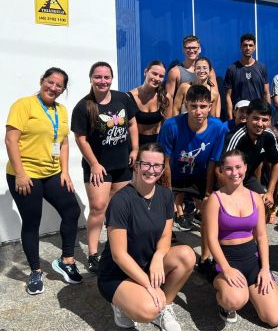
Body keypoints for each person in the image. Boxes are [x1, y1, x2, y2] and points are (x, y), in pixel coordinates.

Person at [97, 143, 195, 331]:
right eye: (146, 164)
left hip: (147, 264)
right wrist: (149, 286)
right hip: (117, 273)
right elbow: (119, 255)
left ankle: (166, 306)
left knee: (187, 255)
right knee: (149, 310)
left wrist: (158, 257)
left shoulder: (166, 195)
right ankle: (120, 303)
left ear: (162, 169)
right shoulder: (120, 201)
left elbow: (166, 236)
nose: (151, 170)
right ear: (136, 166)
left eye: (157, 165)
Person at [5, 67, 82, 294]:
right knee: (32, 221)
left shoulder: (61, 110)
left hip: (52, 173)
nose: (53, 88)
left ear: (63, 90)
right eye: (50, 82)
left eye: (59, 86)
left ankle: (66, 261)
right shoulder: (24, 105)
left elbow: (64, 142)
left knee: (71, 211)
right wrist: (20, 174)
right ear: (42, 81)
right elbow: (10, 140)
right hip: (26, 174)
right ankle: (35, 271)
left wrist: (65, 172)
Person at [203, 149, 278, 327]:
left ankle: (247, 288)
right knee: (235, 300)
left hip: (251, 259)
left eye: (238, 167)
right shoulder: (215, 199)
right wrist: (226, 269)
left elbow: (261, 236)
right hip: (227, 259)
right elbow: (211, 239)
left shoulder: (256, 197)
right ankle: (225, 297)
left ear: (246, 167)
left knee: (274, 318)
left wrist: (265, 269)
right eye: (229, 168)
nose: (234, 173)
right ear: (222, 170)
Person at [71, 61, 139, 273]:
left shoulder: (122, 98)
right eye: (98, 77)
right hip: (98, 167)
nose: (103, 81)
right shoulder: (83, 107)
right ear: (91, 79)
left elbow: (132, 124)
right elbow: (81, 139)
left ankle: (115, 249)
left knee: (118, 209)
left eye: (106, 77)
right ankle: (93, 254)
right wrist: (94, 164)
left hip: (123, 165)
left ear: (112, 78)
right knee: (99, 208)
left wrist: (135, 149)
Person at [158, 84, 226, 269]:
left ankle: (205, 259)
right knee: (162, 213)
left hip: (200, 176)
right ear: (186, 105)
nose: (198, 111)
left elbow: (213, 162)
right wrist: (167, 192)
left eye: (203, 106)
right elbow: (165, 161)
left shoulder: (218, 127)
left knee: (209, 214)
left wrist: (208, 192)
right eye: (194, 106)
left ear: (210, 106)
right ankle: (161, 256)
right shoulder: (171, 126)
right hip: (174, 174)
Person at [224, 99, 278, 219]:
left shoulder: (269, 135)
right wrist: (236, 195)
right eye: (255, 118)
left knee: (263, 204)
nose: (259, 124)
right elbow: (220, 170)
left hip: (247, 178)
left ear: (269, 120)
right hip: (228, 180)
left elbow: (277, 162)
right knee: (237, 211)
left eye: (264, 120)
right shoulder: (236, 137)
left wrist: (269, 192)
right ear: (247, 117)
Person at [165, 35, 217, 113]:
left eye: (194, 47)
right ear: (183, 50)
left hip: (204, 117)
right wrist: (170, 119)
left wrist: (217, 117)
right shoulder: (175, 71)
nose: (191, 50)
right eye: (188, 48)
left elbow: (216, 96)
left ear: (199, 49)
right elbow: (169, 98)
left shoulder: (209, 71)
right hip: (184, 116)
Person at [224, 33, 270, 119]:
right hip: (240, 115)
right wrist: (230, 118)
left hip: (258, 115)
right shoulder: (232, 69)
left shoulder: (261, 68)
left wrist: (268, 115)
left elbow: (266, 93)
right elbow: (228, 96)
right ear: (241, 47)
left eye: (250, 45)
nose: (248, 48)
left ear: (254, 47)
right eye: (245, 45)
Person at [127, 60, 168, 145]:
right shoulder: (129, 97)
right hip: (136, 144)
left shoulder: (165, 97)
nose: (157, 78)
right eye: (154, 74)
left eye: (161, 76)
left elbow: (167, 126)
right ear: (145, 72)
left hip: (158, 144)